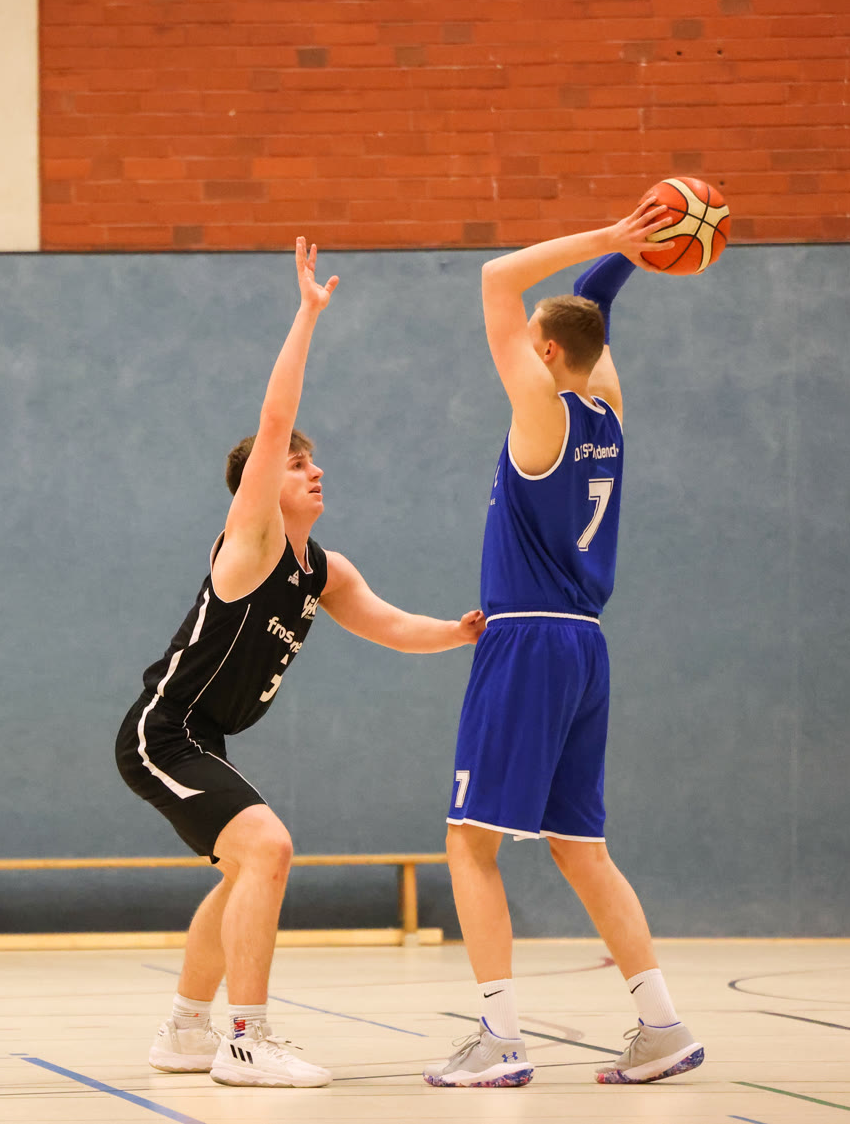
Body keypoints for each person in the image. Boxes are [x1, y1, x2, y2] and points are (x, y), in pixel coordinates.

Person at [119, 240, 486, 1089]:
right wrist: (307, 314)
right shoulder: (250, 541)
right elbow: (275, 413)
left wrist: (461, 632)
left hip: (204, 738)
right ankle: (246, 1039)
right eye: (295, 462)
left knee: (247, 866)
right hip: (162, 733)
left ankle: (184, 1030)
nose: (314, 469)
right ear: (260, 483)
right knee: (271, 846)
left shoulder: (325, 570)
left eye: (313, 461)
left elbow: (392, 625)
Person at [422, 204, 706, 1088]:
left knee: (469, 841)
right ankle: (661, 1025)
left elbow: (495, 278)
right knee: (581, 847)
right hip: (585, 646)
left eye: (530, 338)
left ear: (544, 354)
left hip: (526, 641)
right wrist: (629, 255)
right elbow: (588, 310)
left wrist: (613, 236)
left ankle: (500, 1038)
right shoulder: (607, 411)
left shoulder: (539, 415)